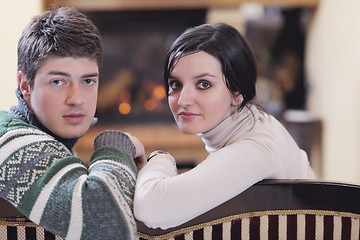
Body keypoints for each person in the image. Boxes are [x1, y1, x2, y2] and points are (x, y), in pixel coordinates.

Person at [133, 22, 315, 229]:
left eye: (204, 84)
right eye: (176, 84)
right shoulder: (258, 121)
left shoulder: (254, 149)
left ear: (237, 94)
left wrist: (159, 158)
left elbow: (151, 208)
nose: (183, 100)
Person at [0, 7, 145, 239]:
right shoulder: (10, 141)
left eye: (88, 81)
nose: (77, 99)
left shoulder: (47, 137)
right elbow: (108, 228)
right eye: (58, 81)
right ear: (25, 85)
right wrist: (116, 143)